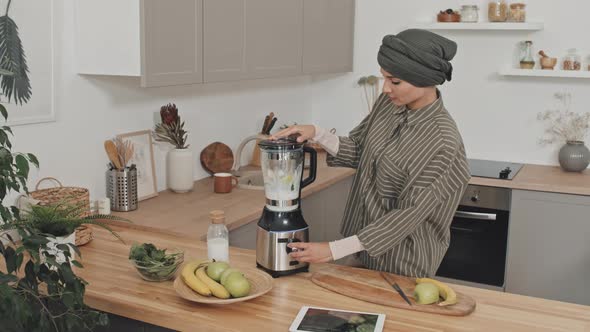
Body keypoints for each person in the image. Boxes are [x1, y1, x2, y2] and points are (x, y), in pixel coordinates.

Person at [271, 29, 471, 277]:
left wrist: (334, 250)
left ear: (425, 79)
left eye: (395, 81)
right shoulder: (389, 104)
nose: (386, 88)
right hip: (362, 250)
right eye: (384, 78)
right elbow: (360, 151)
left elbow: (408, 214)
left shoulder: (442, 142)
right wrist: (317, 132)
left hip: (404, 262)